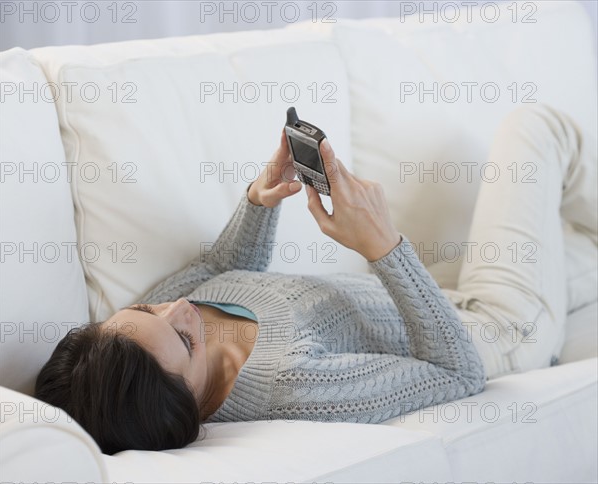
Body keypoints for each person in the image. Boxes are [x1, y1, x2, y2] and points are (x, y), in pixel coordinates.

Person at [35, 103, 596, 456]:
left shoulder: (142, 337)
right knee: (536, 130)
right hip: (492, 329)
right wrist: (381, 245)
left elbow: (216, 271)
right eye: (185, 338)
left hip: (437, 296)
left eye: (147, 312)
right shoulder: (295, 386)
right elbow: (456, 372)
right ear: (189, 407)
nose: (178, 306)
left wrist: (260, 201)